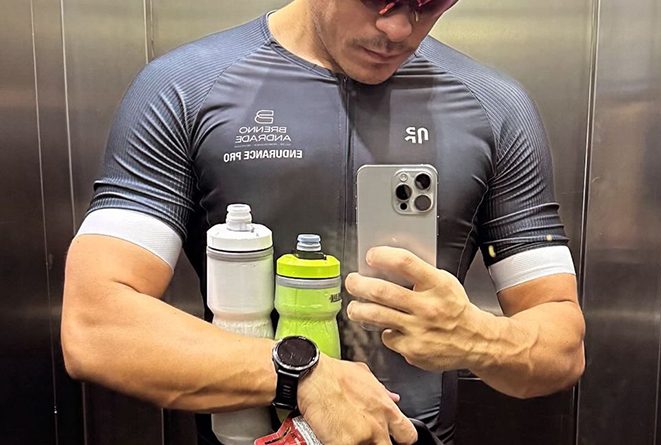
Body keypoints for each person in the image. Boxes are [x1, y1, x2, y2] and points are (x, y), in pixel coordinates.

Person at [61, 0, 586, 443]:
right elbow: (96, 326)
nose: (398, 28)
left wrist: (480, 339)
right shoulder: (185, 88)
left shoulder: (493, 106)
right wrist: (301, 374)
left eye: (429, 4)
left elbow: (562, 347)